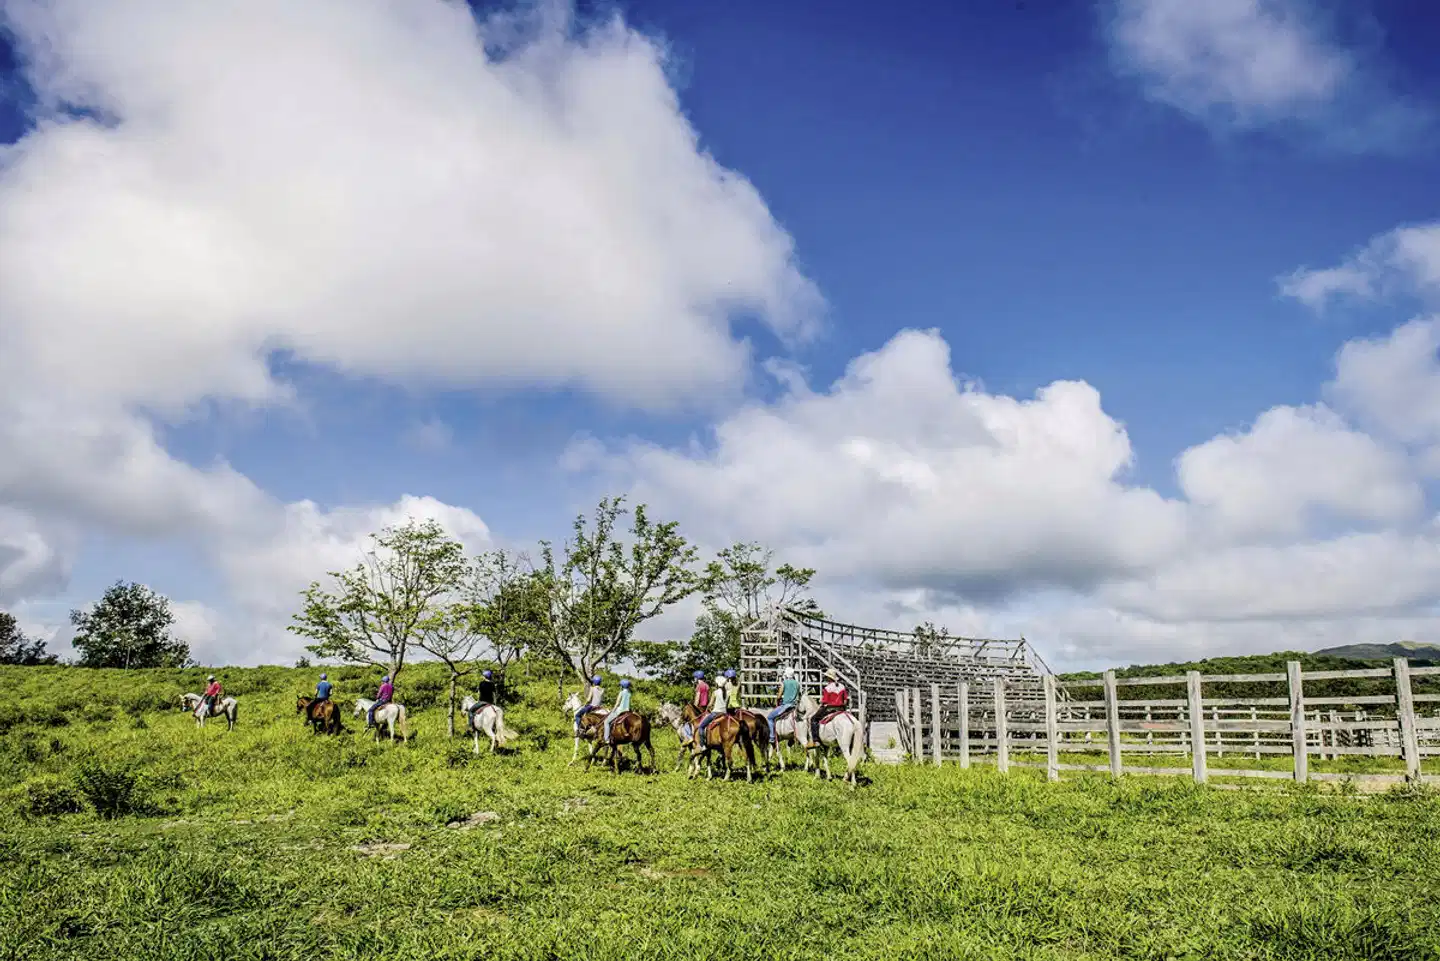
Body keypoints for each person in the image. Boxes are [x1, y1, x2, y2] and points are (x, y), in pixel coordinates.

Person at [810, 668, 848, 746]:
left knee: (813, 719)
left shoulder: (827, 688)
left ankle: (816, 740)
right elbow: (845, 701)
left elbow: (825, 701)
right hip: (841, 708)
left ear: (829, 678)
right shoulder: (842, 686)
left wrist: (821, 701)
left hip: (830, 708)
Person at [766, 666, 800, 746]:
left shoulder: (784, 683)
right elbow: (798, 694)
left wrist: (778, 699)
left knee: (770, 717)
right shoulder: (797, 684)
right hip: (795, 705)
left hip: (786, 705)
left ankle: (772, 737)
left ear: (786, 675)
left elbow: (779, 695)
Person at [695, 671, 729, 746]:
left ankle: (702, 745)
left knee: (701, 726)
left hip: (715, 713)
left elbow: (710, 704)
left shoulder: (715, 692)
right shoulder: (728, 693)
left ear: (717, 683)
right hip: (724, 714)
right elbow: (726, 705)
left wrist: (708, 709)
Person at [604, 679, 633, 744]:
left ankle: (606, 739)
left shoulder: (621, 692)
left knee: (606, 722)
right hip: (627, 710)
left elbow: (617, 703)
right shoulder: (629, 693)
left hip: (620, 710)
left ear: (622, 686)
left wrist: (613, 710)